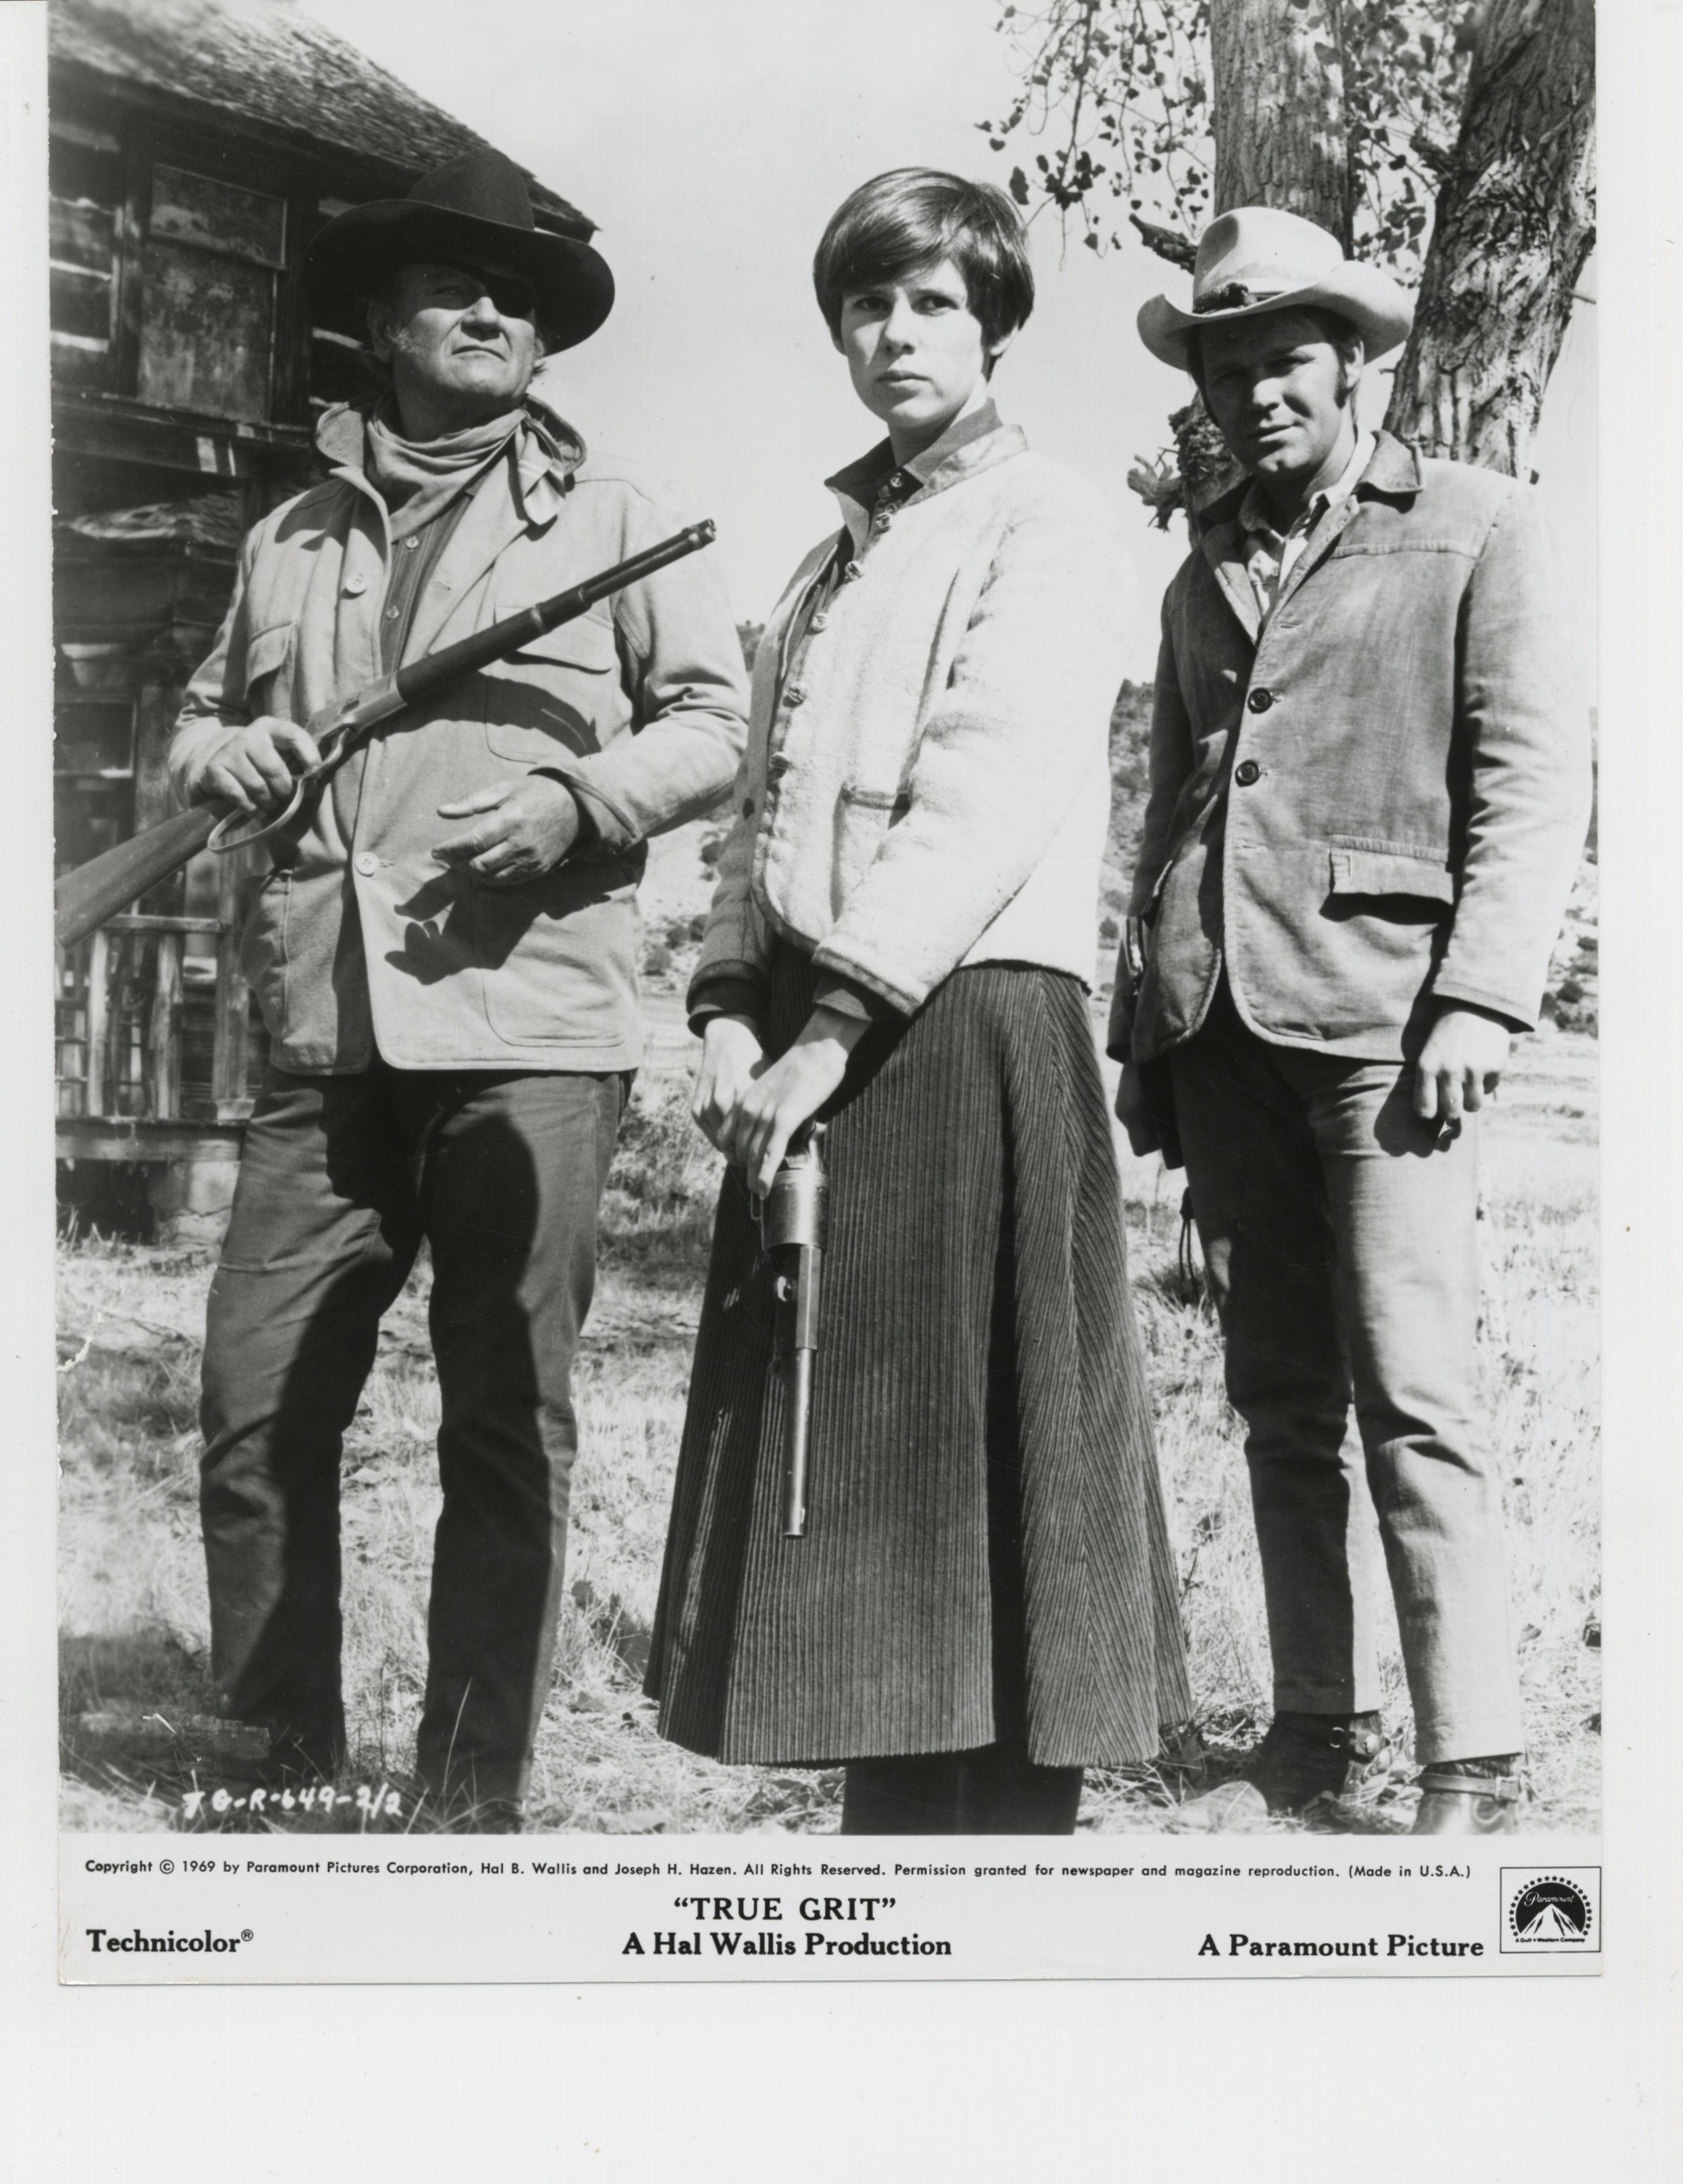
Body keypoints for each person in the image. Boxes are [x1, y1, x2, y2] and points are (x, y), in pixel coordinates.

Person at [169, 149, 749, 1828]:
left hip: (531, 1031)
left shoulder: (625, 523)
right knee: (251, 1405)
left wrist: (580, 801)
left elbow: (714, 728)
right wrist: (232, 752)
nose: (493, 313)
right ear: (379, 321)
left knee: (504, 1413)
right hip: (326, 1032)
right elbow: (205, 721)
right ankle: (276, 1762)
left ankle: (467, 1782)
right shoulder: (289, 532)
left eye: (522, 301)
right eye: (452, 287)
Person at [643, 169, 1191, 1835]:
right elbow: (755, 818)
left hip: (962, 1022)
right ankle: (896, 1818)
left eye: (934, 303)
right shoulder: (824, 563)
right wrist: (734, 1001)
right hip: (819, 1036)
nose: (896, 334)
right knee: (845, 1440)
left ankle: (999, 1842)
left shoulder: (1044, 521)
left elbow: (986, 790)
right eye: (867, 305)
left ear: (995, 325)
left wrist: (829, 1028)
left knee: (969, 1448)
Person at [1111, 207, 1592, 1836]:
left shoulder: (1476, 526)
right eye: (1228, 365)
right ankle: (1313, 1731)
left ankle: (1473, 1756)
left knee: (1415, 1390)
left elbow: (1532, 786)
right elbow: (1176, 804)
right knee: (1275, 1396)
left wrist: (1478, 994)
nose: (1256, 393)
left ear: (1352, 366)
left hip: (1393, 1031)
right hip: (1225, 1033)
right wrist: (1150, 1036)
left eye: (1285, 360)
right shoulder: (1201, 568)